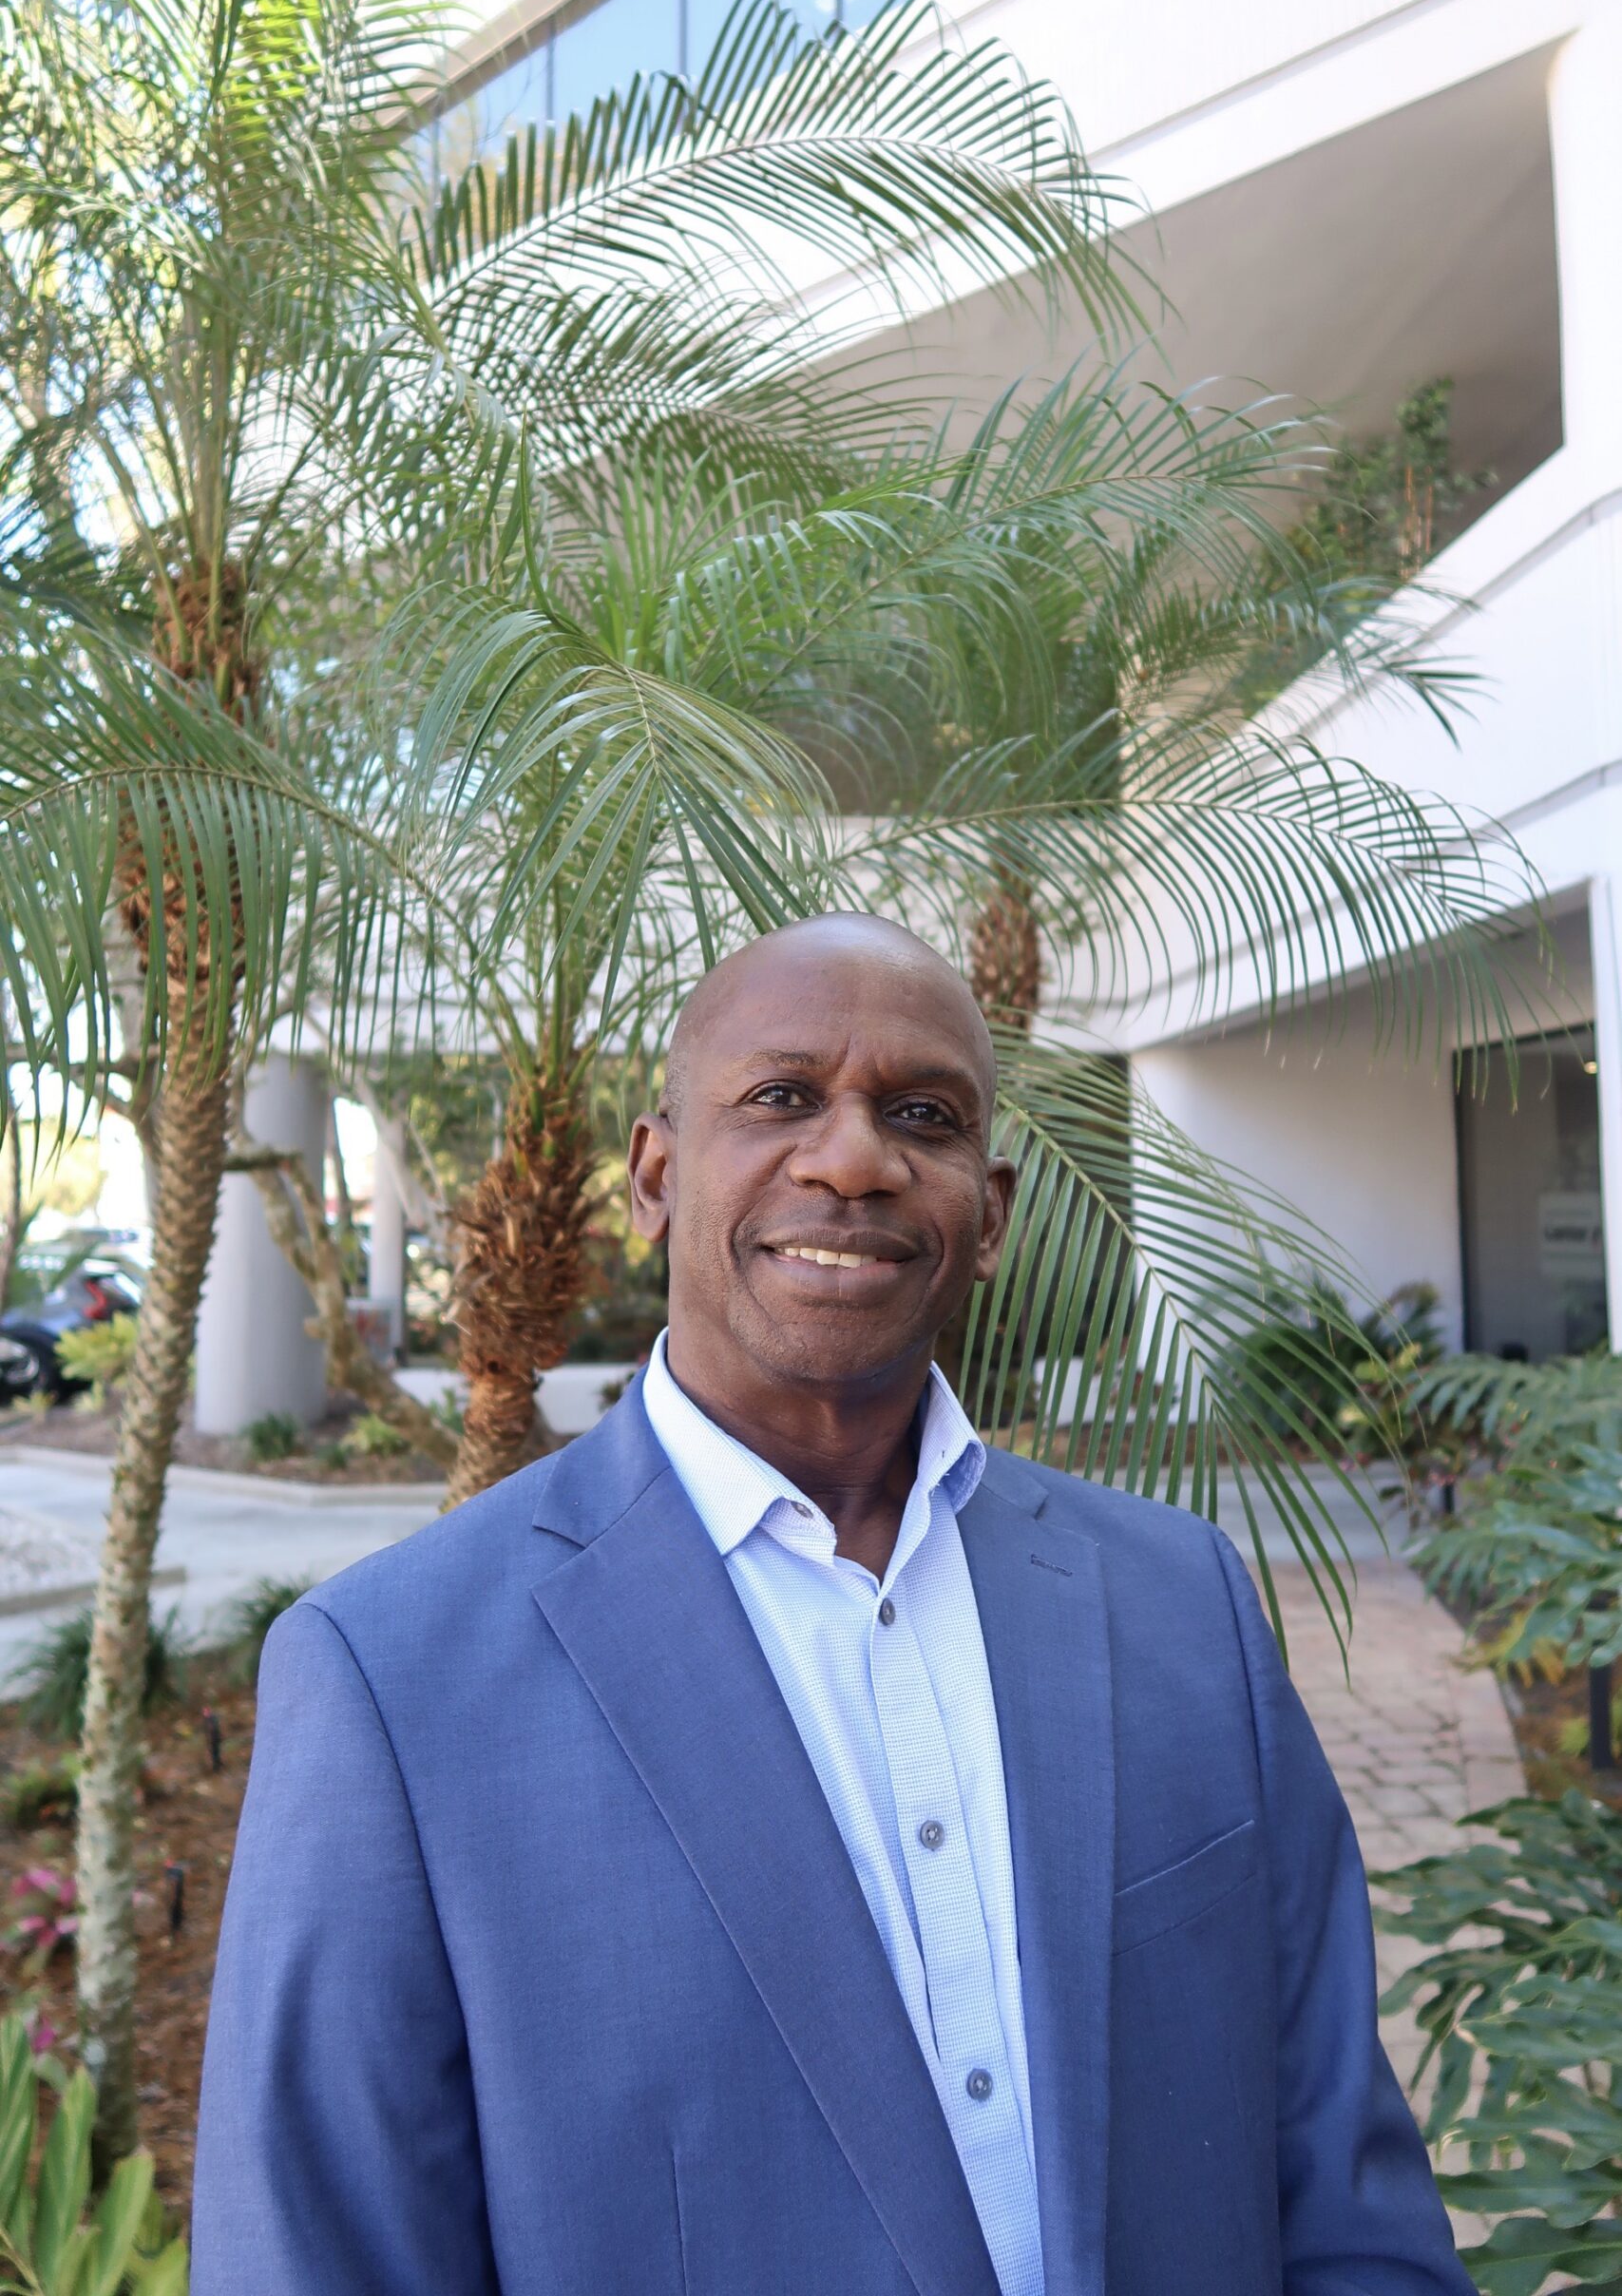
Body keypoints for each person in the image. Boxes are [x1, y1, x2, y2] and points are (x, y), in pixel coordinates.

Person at [193, 912, 1472, 2296]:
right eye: (781, 1097)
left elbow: (1342, 2187)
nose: (854, 1159)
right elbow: (318, 2252)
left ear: (990, 1214)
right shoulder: (392, 1678)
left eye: (922, 1115)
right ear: (656, 1176)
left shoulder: (1183, 1605)